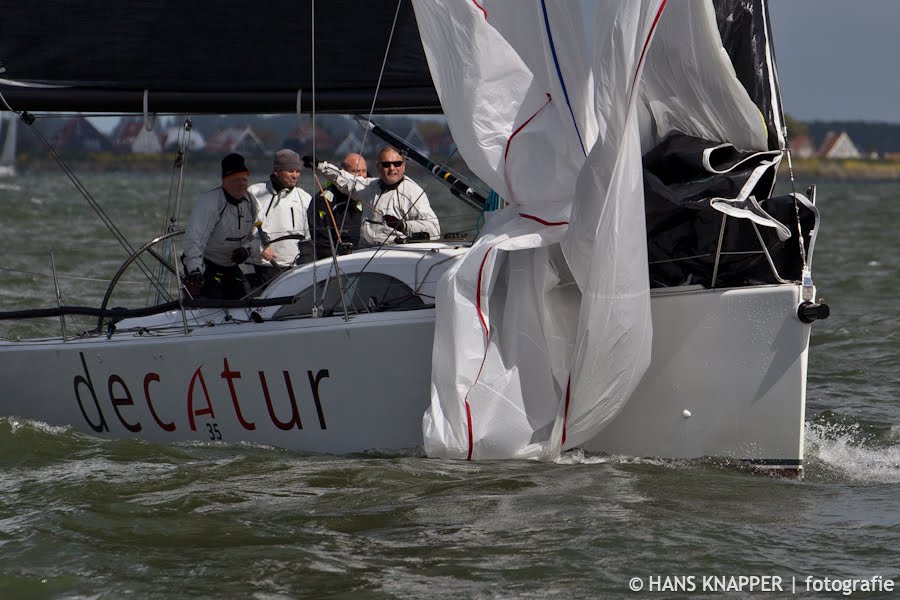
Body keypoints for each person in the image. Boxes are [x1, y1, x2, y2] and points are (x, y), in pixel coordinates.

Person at [310, 145, 440, 246]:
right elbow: (345, 179)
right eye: (386, 164)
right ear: (378, 167)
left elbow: (434, 229)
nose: (392, 168)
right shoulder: (370, 186)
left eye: (397, 164)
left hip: (395, 252)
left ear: (404, 166)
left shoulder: (413, 192)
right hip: (365, 250)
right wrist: (320, 166)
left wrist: (403, 226)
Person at [182, 153, 259, 300]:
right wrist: (194, 270)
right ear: (225, 182)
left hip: (231, 266)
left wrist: (247, 250)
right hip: (205, 265)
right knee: (214, 303)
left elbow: (258, 236)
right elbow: (194, 239)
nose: (242, 184)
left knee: (243, 301)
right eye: (237, 180)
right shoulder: (210, 202)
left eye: (244, 179)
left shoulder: (252, 203)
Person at [248, 149, 313, 284]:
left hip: (294, 268)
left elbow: (309, 236)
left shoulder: (305, 198)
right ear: (276, 171)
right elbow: (247, 229)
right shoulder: (255, 192)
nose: (295, 176)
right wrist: (261, 248)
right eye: (290, 171)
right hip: (262, 266)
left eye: (298, 171)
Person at [307, 152, 366, 259]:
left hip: (365, 257)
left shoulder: (369, 196)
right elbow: (321, 240)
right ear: (342, 173)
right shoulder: (324, 199)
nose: (361, 176)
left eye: (364, 171)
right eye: (355, 171)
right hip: (337, 263)